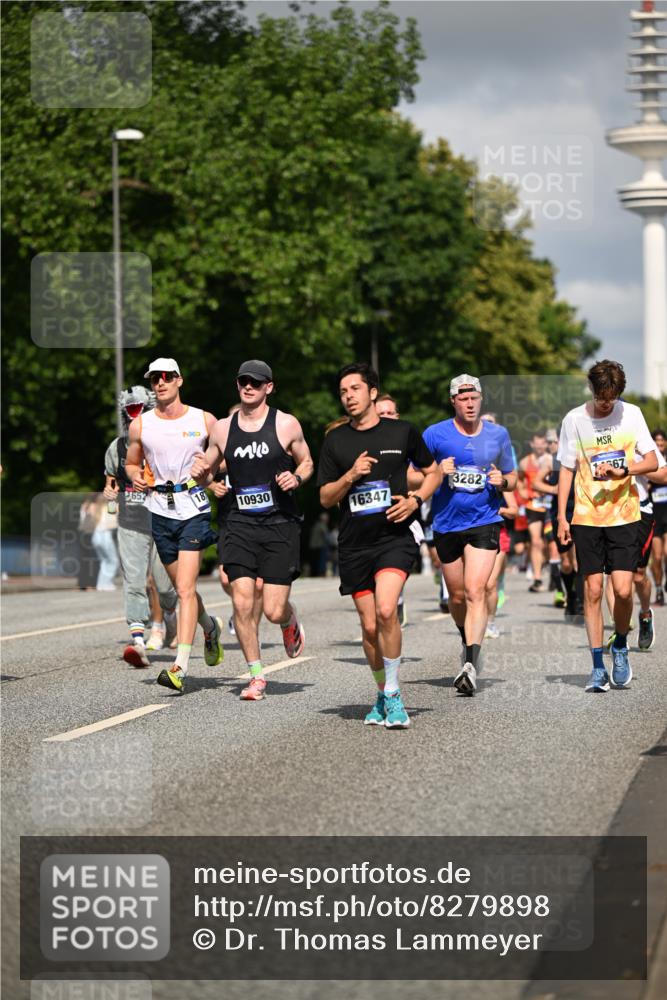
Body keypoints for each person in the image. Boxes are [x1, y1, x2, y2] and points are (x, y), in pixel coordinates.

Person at [318, 363, 441, 729]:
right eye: (343, 391)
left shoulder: (401, 432)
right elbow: (325, 497)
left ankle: (394, 695)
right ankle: (380, 691)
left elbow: (433, 471)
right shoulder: (336, 441)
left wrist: (417, 500)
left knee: (387, 610)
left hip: (394, 538)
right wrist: (350, 476)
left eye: (354, 388)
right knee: (369, 627)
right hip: (355, 544)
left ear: (372, 392)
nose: (348, 396)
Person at [192, 360, 314, 701]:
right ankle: (256, 675)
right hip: (239, 525)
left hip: (279, 524)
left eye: (256, 383)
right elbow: (207, 468)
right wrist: (205, 477)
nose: (249, 387)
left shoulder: (286, 424)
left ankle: (289, 621)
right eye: (244, 381)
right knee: (242, 601)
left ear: (268, 388)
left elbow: (307, 461)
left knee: (273, 609)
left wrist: (297, 477)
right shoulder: (222, 428)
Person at [557, 359, 657, 692]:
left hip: (625, 514)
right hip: (586, 515)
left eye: (611, 397)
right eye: (601, 396)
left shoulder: (632, 415)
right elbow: (567, 470)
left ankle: (621, 643)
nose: (606, 403)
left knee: (624, 589)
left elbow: (653, 461)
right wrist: (561, 516)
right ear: (593, 389)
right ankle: (598, 665)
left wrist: (623, 470)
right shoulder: (574, 419)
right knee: (593, 590)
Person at [125, 358, 222, 694]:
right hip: (159, 510)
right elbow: (131, 462)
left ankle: (179, 666)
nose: (161, 383)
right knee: (183, 587)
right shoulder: (141, 424)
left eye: (167, 377)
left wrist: (210, 471)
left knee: (184, 589)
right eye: (155, 379)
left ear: (180, 380)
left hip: (192, 507)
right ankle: (210, 627)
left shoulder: (203, 419)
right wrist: (135, 475)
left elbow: (222, 451)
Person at [423, 374, 517, 696]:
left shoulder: (498, 435)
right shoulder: (434, 434)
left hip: (485, 520)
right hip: (447, 524)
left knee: (477, 590)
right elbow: (412, 475)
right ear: (454, 401)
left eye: (474, 397)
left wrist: (501, 482)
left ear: (481, 399)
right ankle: (467, 639)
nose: (470, 402)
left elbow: (513, 477)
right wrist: (438, 472)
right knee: (458, 595)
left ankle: (471, 662)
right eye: (463, 398)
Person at [103, 386, 178, 668]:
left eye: (139, 411)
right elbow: (110, 484)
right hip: (131, 523)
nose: (134, 416)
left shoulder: (164, 442)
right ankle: (137, 639)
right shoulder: (117, 448)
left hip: (162, 520)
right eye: (129, 411)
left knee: (164, 586)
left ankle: (170, 615)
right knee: (134, 581)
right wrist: (110, 496)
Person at [374, 392, 427, 628]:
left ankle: (397, 598)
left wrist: (398, 476)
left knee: (392, 567)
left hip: (404, 516)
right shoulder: (364, 440)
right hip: (370, 518)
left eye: (389, 413)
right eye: (380, 413)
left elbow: (426, 476)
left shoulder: (409, 440)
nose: (385, 417)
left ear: (397, 415)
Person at [533, 428, 584, 618]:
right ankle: (570, 595)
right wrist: (555, 490)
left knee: (579, 560)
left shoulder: (582, 457)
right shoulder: (551, 460)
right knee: (566, 562)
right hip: (560, 515)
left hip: (581, 513)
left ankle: (580, 601)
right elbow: (536, 483)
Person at [519, 432, 550, 591]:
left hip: (551, 505)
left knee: (550, 543)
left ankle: (552, 567)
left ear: (546, 444)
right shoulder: (525, 462)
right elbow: (518, 479)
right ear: (531, 444)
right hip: (533, 505)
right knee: (535, 541)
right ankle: (537, 578)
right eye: (537, 444)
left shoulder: (552, 460)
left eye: (542, 444)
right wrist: (523, 491)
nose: (539, 447)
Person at [649, 428, 667, 605]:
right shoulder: (649, 461)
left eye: (662, 442)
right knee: (657, 556)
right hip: (655, 513)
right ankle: (659, 589)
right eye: (656, 442)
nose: (659, 444)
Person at [91, 493, 119, 591]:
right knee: (113, 560)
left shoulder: (96, 508)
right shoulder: (109, 507)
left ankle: (101, 584)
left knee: (104, 561)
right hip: (105, 535)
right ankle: (107, 583)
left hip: (96, 535)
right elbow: (115, 519)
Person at [309, 512, 330, 577]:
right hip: (319, 545)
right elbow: (326, 536)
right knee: (321, 560)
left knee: (314, 560)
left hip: (313, 545)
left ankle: (314, 573)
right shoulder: (322, 525)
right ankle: (321, 573)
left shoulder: (316, 525)